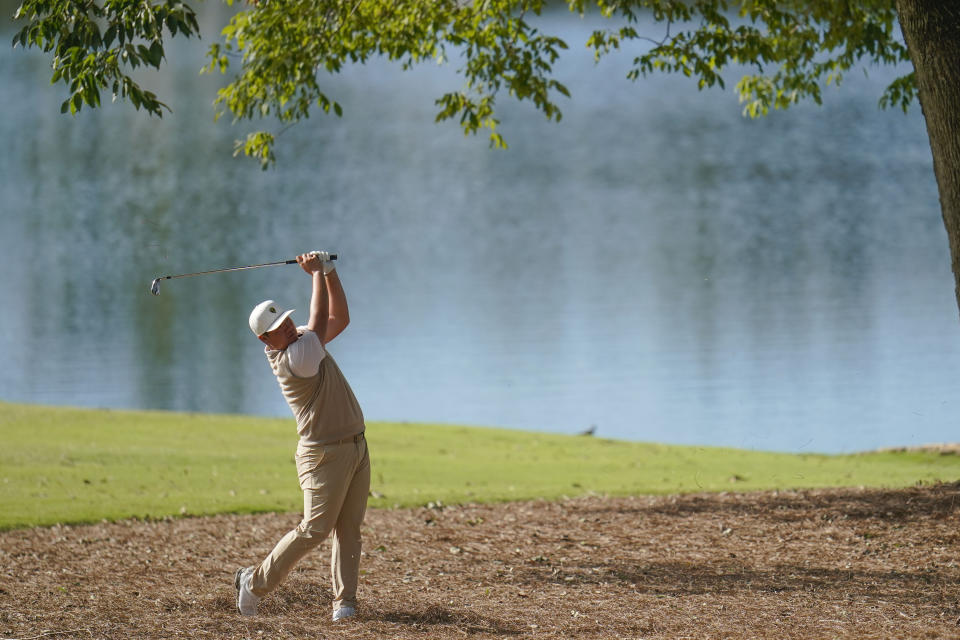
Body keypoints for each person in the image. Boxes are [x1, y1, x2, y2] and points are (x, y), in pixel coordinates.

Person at [235, 251, 370, 622]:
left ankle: (345, 603)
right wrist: (314, 274)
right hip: (324, 454)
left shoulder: (304, 341)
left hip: (355, 447)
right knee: (314, 529)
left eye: (288, 320)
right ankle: (254, 583)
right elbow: (317, 318)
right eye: (280, 328)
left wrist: (330, 272)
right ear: (266, 339)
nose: (290, 327)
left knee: (349, 530)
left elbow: (339, 317)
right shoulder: (295, 359)